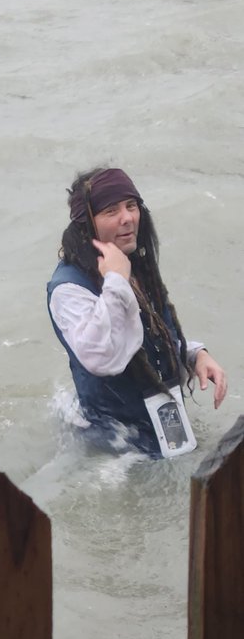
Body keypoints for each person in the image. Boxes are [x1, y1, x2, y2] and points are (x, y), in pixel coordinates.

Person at [47, 166, 227, 456]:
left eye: (131, 206)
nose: (127, 217)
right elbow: (101, 356)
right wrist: (115, 280)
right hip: (115, 444)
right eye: (111, 211)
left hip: (162, 419)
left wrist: (194, 355)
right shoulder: (68, 289)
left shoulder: (132, 264)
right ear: (86, 224)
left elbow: (149, 333)